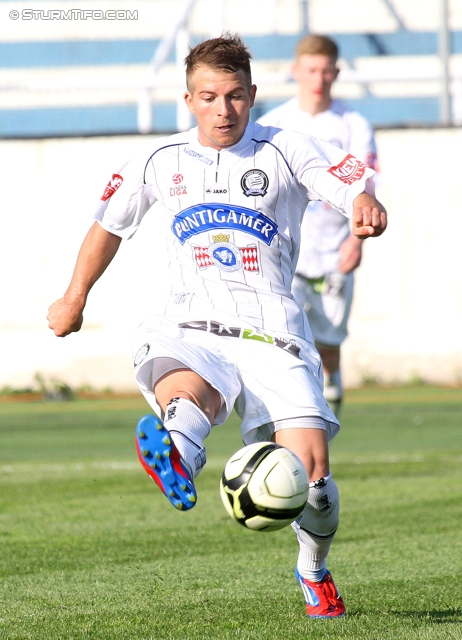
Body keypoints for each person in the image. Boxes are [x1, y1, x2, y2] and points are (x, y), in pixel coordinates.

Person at [47, 34, 387, 619]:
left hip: (273, 330)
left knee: (314, 477)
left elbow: (352, 175)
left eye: (234, 96)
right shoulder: (159, 161)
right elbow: (108, 224)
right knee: (187, 390)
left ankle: (313, 570)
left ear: (252, 95)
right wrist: (74, 296)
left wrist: (364, 200)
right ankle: (178, 452)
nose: (222, 110)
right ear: (189, 99)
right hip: (191, 322)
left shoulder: (286, 148)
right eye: (209, 97)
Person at [257, 34, 379, 416]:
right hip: (287, 253)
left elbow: (366, 184)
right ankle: (291, 418)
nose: (319, 78)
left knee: (328, 346)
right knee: (286, 339)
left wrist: (358, 240)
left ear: (337, 72)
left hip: (334, 252)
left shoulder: (353, 124)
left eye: (326, 70)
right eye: (311, 70)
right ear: (296, 71)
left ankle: (330, 413)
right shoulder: (273, 123)